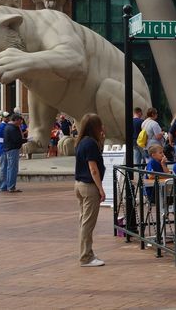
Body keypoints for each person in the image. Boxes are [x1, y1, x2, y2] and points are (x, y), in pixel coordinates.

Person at [74, 113, 107, 267]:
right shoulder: (90, 144)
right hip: (89, 186)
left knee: (84, 221)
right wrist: (101, 188)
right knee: (88, 224)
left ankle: (87, 253)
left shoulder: (81, 142)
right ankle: (86, 257)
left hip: (79, 184)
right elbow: (93, 169)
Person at [0, 113, 26, 193]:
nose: (21, 123)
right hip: (12, 149)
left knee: (5, 168)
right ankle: (11, 186)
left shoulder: (7, 126)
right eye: (20, 121)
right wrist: (26, 140)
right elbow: (17, 139)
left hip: (6, 149)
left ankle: (3, 186)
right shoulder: (13, 128)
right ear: (16, 120)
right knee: (12, 168)